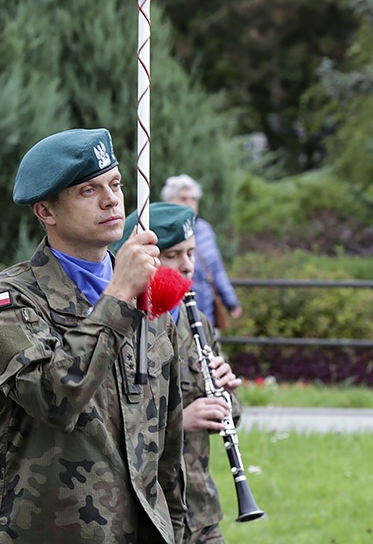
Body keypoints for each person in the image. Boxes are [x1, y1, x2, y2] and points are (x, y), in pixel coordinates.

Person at [0, 128, 186, 543]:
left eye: (115, 184)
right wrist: (117, 296)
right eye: (87, 190)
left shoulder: (147, 296)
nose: (111, 199)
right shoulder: (6, 301)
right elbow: (56, 397)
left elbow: (167, 445)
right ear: (46, 211)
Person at [113, 202, 245, 544]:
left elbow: (234, 413)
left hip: (199, 509)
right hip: (145, 512)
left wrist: (226, 397)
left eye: (190, 253)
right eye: (172, 255)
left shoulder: (194, 319)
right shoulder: (116, 323)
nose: (187, 266)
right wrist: (180, 421)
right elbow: (105, 421)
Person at [160, 174, 242, 328]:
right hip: (175, 317)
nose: (190, 202)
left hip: (206, 313)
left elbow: (217, 269)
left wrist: (231, 301)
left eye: (194, 199)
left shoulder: (205, 230)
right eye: (184, 198)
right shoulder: (162, 231)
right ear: (170, 201)